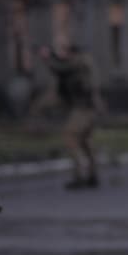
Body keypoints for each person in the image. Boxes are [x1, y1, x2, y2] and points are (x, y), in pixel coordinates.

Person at [40, 44, 103, 190]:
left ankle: (79, 176)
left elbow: (60, 68)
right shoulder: (82, 63)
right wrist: (52, 56)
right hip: (89, 109)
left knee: (70, 137)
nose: (64, 56)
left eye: (66, 52)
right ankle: (92, 175)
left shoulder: (78, 62)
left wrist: (48, 57)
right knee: (85, 141)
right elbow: (62, 69)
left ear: (73, 53)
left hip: (83, 109)